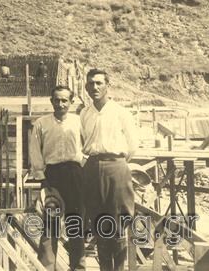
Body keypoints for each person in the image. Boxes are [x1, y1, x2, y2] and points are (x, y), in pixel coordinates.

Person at [80, 69, 138, 271]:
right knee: (98, 221)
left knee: (120, 221)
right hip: (92, 167)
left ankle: (120, 268)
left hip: (116, 166)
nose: (94, 87)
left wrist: (117, 165)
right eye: (90, 84)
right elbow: (82, 143)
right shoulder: (84, 113)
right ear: (86, 87)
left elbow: (133, 145)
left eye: (98, 83)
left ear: (107, 86)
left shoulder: (120, 112)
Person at [29, 86, 86, 270]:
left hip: (75, 174)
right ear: (51, 101)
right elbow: (35, 151)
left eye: (64, 100)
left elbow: (88, 147)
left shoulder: (79, 122)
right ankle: (47, 266)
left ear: (71, 102)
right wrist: (42, 178)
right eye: (57, 100)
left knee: (75, 223)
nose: (60, 104)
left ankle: (78, 266)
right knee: (51, 224)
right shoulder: (41, 123)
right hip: (52, 175)